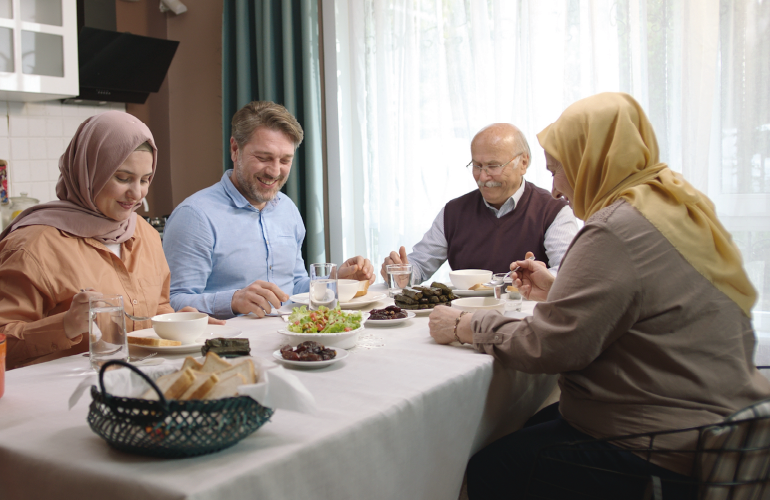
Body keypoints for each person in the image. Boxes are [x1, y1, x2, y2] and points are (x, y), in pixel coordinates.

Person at [428, 93, 770, 499]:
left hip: (659, 440)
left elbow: (552, 347)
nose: (554, 189)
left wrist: (469, 325)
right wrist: (561, 290)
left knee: (489, 465)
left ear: (592, 161)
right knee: (525, 422)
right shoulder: (671, 204)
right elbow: (650, 300)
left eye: (558, 170)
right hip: (713, 419)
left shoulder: (614, 226)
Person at [0, 111, 217, 370]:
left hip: (140, 384)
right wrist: (65, 326)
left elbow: (156, 307)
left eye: (145, 179)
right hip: (61, 395)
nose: (136, 194)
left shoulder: (144, 233)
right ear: (89, 172)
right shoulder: (32, 245)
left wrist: (172, 323)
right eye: (122, 178)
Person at [163, 101, 375, 319]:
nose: (275, 171)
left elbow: (293, 286)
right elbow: (171, 301)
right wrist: (233, 301)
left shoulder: (287, 209)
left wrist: (337, 283)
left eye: (285, 160)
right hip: (229, 346)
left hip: (291, 338)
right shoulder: (194, 216)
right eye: (263, 158)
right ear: (235, 150)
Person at [380, 123, 578, 284]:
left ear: (523, 163)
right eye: (477, 165)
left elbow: (568, 272)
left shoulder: (554, 211)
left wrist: (525, 280)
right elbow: (419, 266)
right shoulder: (453, 212)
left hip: (523, 319)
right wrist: (401, 271)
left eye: (493, 165)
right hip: (462, 317)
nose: (483, 176)